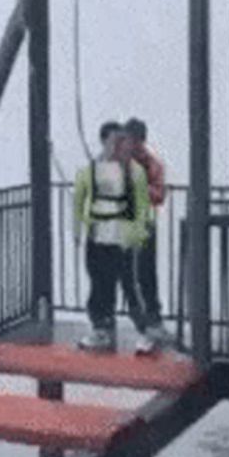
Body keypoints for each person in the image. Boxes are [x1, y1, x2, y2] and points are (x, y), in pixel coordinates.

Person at [74, 121, 155, 354]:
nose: (120, 146)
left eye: (123, 141)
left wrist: (138, 233)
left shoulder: (134, 171)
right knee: (100, 285)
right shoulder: (91, 169)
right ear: (104, 142)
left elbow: (141, 205)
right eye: (115, 141)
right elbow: (79, 200)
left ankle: (144, 331)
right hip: (98, 237)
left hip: (123, 239)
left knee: (131, 286)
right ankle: (101, 329)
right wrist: (79, 229)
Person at [121, 117, 167, 343]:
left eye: (130, 140)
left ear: (140, 141)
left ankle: (154, 318)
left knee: (146, 273)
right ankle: (139, 321)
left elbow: (160, 194)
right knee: (126, 274)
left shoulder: (152, 163)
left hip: (145, 223)